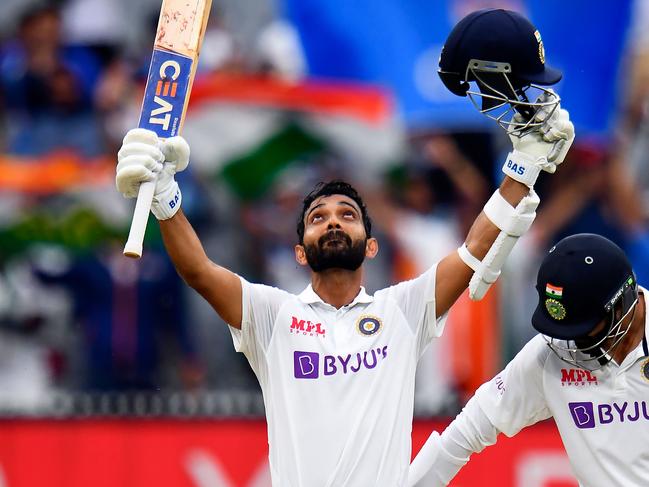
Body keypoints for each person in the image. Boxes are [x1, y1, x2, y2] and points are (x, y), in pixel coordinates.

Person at [115, 8, 574, 487]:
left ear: (371, 246)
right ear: (299, 251)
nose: (333, 221)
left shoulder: (402, 310)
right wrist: (166, 196)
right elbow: (200, 272)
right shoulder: (274, 317)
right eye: (318, 218)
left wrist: (524, 165)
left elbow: (476, 249)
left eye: (347, 215)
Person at [408, 233, 649, 487]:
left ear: (622, 305)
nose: (572, 344)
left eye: (583, 330)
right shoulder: (551, 353)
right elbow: (465, 433)